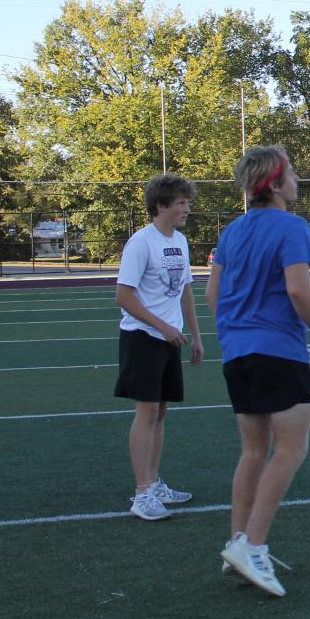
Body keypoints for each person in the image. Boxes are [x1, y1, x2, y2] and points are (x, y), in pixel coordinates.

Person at [206, 145, 310, 597]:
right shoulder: (292, 226)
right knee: (290, 450)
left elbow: (213, 293)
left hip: (237, 351)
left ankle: (237, 542)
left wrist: (236, 329)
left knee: (253, 451)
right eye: (293, 173)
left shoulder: (232, 230)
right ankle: (254, 546)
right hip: (277, 350)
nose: (298, 179)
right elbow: (298, 290)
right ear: (276, 182)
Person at [115, 173, 204, 522]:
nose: (187, 209)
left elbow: (185, 291)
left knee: (161, 412)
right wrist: (163, 327)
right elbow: (123, 296)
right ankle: (142, 494)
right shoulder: (141, 243)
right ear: (161, 206)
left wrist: (195, 335)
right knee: (147, 412)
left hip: (170, 339)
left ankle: (153, 484)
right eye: (181, 203)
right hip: (143, 338)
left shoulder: (180, 242)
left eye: (187, 202)